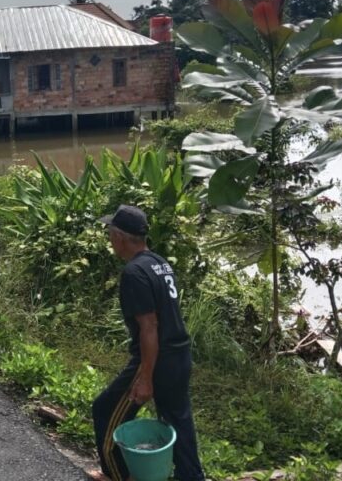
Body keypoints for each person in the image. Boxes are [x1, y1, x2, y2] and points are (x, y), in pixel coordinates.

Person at [91, 205, 205, 481]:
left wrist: (145, 376)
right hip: (179, 356)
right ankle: (192, 477)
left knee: (105, 410)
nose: (109, 238)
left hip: (157, 359)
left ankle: (117, 475)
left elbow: (149, 327)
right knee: (178, 419)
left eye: (110, 232)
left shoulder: (133, 273)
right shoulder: (159, 263)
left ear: (119, 237)